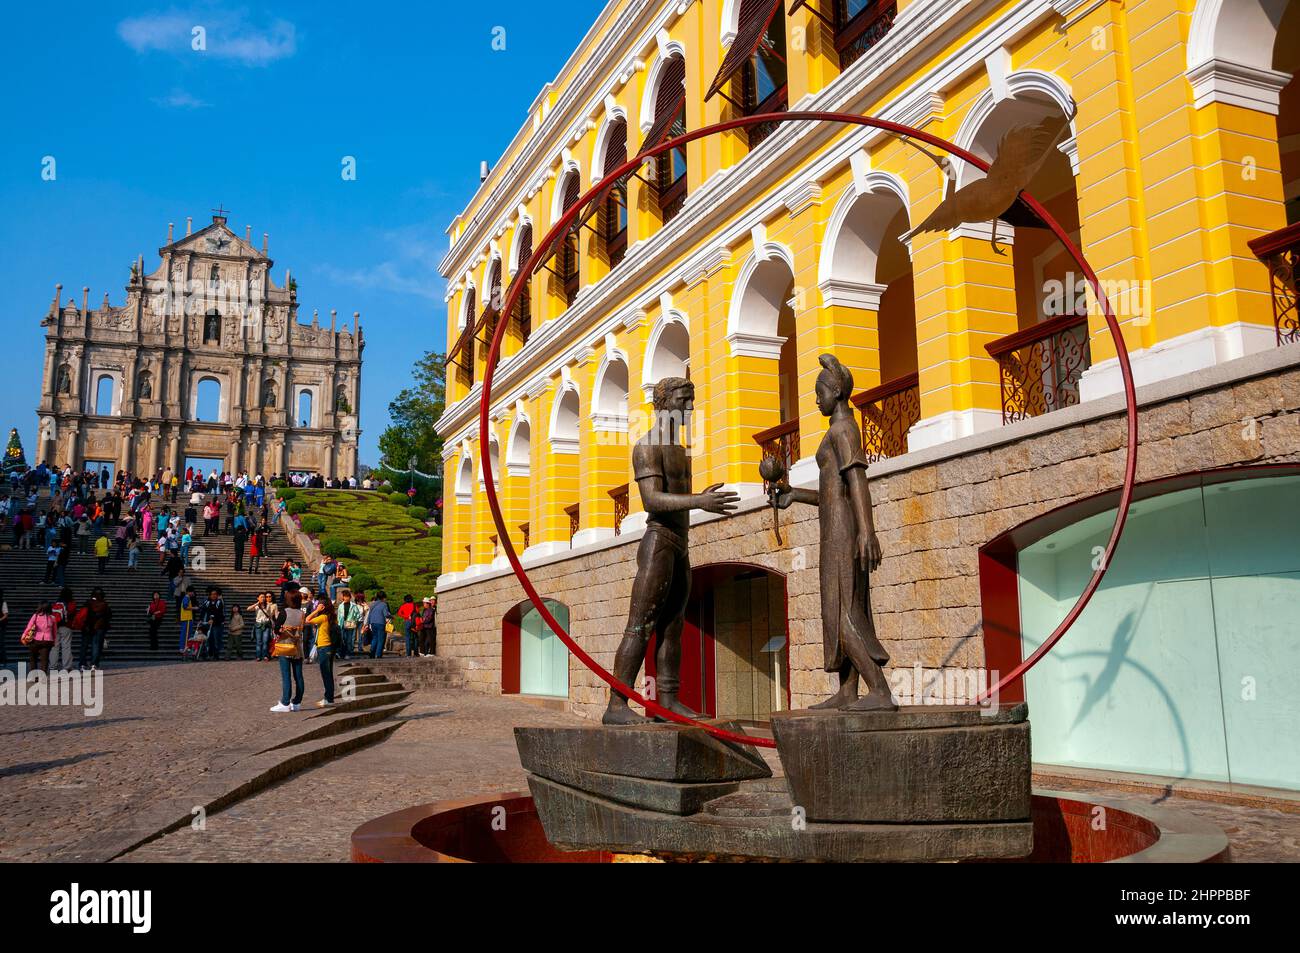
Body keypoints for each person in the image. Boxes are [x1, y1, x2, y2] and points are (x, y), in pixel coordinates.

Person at [774, 353, 893, 711]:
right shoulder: (836, 430)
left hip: (844, 531)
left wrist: (866, 531)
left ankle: (880, 689)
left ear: (837, 390)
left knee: (842, 609)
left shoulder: (844, 430)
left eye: (819, 391)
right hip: (834, 525)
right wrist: (796, 495)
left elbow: (857, 480)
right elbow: (832, 491)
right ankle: (847, 690)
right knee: (840, 605)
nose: (815, 399)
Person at [271, 591, 305, 712]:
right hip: (298, 647)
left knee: (286, 676)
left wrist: (282, 630)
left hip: (285, 645)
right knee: (299, 676)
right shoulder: (302, 613)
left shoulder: (284, 612)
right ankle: (297, 702)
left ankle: (285, 702)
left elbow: (276, 629)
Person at [306, 595, 336, 707]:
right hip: (329, 647)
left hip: (324, 647)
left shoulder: (323, 617)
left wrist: (317, 611)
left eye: (318, 605)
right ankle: (329, 698)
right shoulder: (332, 616)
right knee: (328, 674)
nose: (316, 606)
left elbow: (307, 620)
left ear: (323, 607)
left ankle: (328, 699)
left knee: (326, 674)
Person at [21, 602, 58, 675]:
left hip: (36, 639)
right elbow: (54, 631)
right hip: (48, 641)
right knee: (44, 660)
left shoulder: (35, 616)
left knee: (33, 658)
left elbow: (29, 627)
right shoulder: (53, 618)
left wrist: (24, 636)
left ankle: (33, 675)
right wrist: (54, 641)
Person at [80, 588, 111, 671]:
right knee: (96, 646)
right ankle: (94, 664)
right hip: (99, 627)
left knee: (84, 646)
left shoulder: (88, 603)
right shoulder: (104, 604)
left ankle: (82, 664)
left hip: (87, 626)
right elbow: (108, 616)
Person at [51, 587, 77, 671]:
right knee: (66, 646)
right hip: (66, 626)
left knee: (54, 647)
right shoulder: (71, 603)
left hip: (55, 626)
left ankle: (53, 666)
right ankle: (67, 666)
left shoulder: (57, 602)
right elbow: (73, 614)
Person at [249, 593, 276, 661]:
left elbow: (270, 615)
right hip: (258, 625)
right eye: (261, 597)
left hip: (266, 624)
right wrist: (257, 603)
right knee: (258, 641)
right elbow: (248, 609)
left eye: (264, 597)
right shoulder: (256, 606)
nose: (263, 598)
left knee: (265, 641)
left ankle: (265, 656)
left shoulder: (268, 605)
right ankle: (258, 656)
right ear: (258, 598)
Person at [364, 591, 391, 659]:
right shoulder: (384, 604)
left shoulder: (372, 604)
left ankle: (372, 653)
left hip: (373, 622)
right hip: (381, 622)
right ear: (383, 597)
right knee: (381, 639)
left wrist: (367, 623)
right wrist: (391, 616)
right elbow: (386, 614)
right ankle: (378, 654)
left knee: (375, 638)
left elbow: (369, 614)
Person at [201, 589, 226, 660]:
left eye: (215, 594)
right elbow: (203, 610)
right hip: (208, 623)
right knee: (209, 639)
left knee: (216, 639)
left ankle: (216, 655)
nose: (213, 595)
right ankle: (209, 654)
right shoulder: (207, 602)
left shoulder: (219, 602)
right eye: (212, 594)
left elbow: (219, 613)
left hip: (216, 624)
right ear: (209, 595)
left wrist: (213, 620)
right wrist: (201, 619)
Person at [336, 588, 361, 658]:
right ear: (343, 597)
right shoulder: (341, 605)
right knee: (342, 639)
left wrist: (354, 620)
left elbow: (358, 614)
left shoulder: (353, 605)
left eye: (348, 597)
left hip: (350, 623)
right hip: (342, 623)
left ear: (350, 597)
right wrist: (338, 623)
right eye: (345, 596)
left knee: (349, 640)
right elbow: (338, 615)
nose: (346, 598)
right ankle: (341, 653)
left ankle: (348, 653)